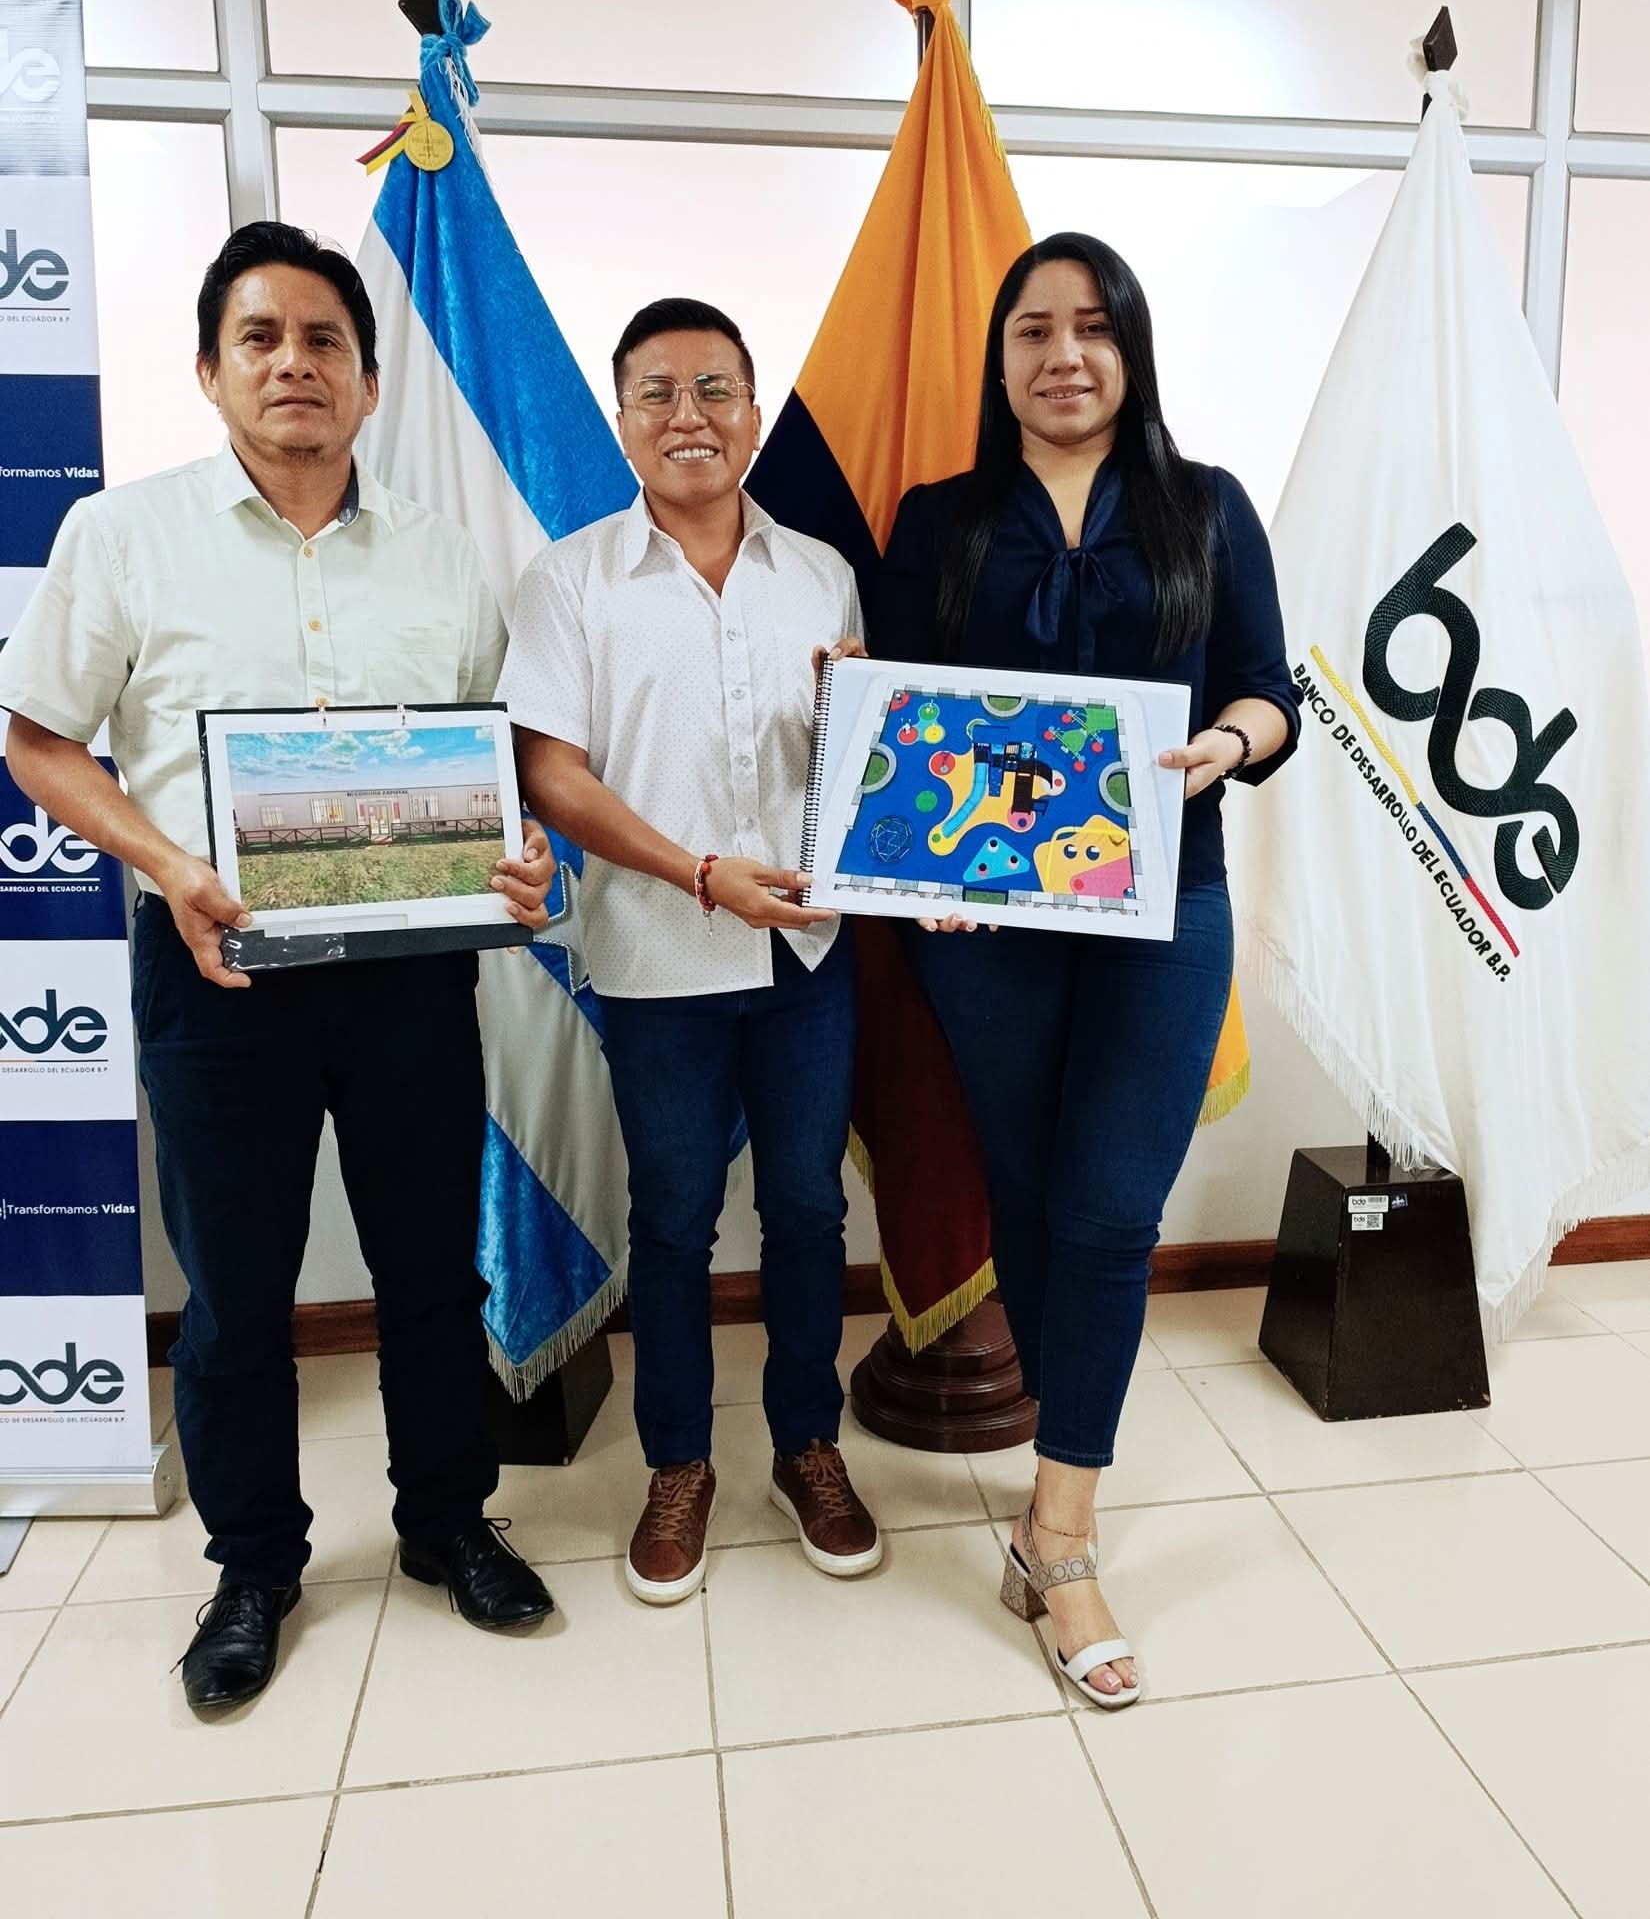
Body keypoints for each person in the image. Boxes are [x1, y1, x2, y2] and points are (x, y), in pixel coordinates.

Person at [0, 222, 555, 1716]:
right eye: (260, 337)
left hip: (411, 976)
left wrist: (515, 856)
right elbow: (39, 742)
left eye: (323, 341)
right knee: (236, 1296)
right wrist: (171, 864)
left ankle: (448, 1522)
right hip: (215, 970)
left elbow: (488, 761)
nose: (293, 363)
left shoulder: (444, 557)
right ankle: (252, 1566)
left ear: (369, 383)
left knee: (431, 1269)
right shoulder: (122, 536)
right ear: (210, 369)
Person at [871, 232, 1299, 1708]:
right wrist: (916, 868)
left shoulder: (1206, 508)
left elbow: (1269, 689)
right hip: (986, 927)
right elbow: (901, 716)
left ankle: (1058, 1539)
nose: (1063, 355)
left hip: (1164, 905)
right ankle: (1064, 1471)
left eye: (1092, 326)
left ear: (1131, 348)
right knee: (1030, 1197)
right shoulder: (940, 520)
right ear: (999, 361)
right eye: (1033, 331)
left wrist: (1225, 744)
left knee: (1114, 1209)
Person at [499, 297, 880, 1605]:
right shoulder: (570, 581)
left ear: (754, 412)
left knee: (809, 1213)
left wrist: (854, 718)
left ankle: (808, 1446)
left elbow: (861, 764)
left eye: (715, 389)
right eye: (656, 393)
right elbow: (551, 773)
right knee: (670, 1221)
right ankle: (678, 1464)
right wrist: (700, 875)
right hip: (659, 959)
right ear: (622, 422)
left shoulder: (819, 572)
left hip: (807, 960)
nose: (688, 416)